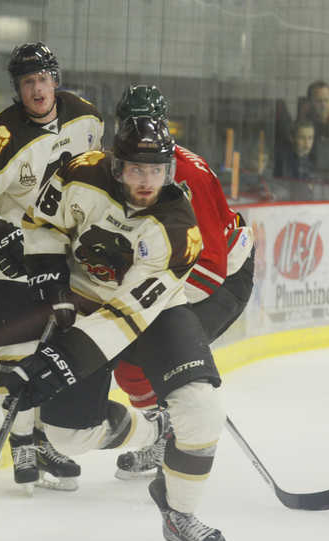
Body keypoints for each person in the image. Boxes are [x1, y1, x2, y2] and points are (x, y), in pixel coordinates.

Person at [4, 116, 228, 541]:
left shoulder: (178, 228)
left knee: (202, 411)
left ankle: (179, 514)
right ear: (116, 165)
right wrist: (53, 287)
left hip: (154, 311)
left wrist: (59, 363)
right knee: (68, 438)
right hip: (84, 302)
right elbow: (41, 224)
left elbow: (127, 315)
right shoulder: (79, 174)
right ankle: (153, 430)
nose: (147, 182)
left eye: (157, 170)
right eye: (137, 170)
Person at [0, 42, 104, 491]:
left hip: (62, 256)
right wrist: (0, 236)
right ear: (17, 90)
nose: (37, 90)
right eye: (27, 83)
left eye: (43, 79)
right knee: (16, 354)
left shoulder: (86, 118)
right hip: (10, 259)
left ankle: (42, 439)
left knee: (54, 353)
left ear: (56, 79)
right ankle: (23, 447)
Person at [109, 85, 255, 480]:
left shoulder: (188, 174)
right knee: (128, 368)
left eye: (149, 124)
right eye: (129, 123)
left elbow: (212, 265)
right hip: (175, 276)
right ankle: (165, 431)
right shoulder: (123, 168)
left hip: (222, 279)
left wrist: (160, 306)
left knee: (157, 357)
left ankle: (178, 440)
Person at [297, 80, 329, 179]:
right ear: (309, 103)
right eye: (319, 101)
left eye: (326, 100)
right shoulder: (302, 129)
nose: (323, 105)